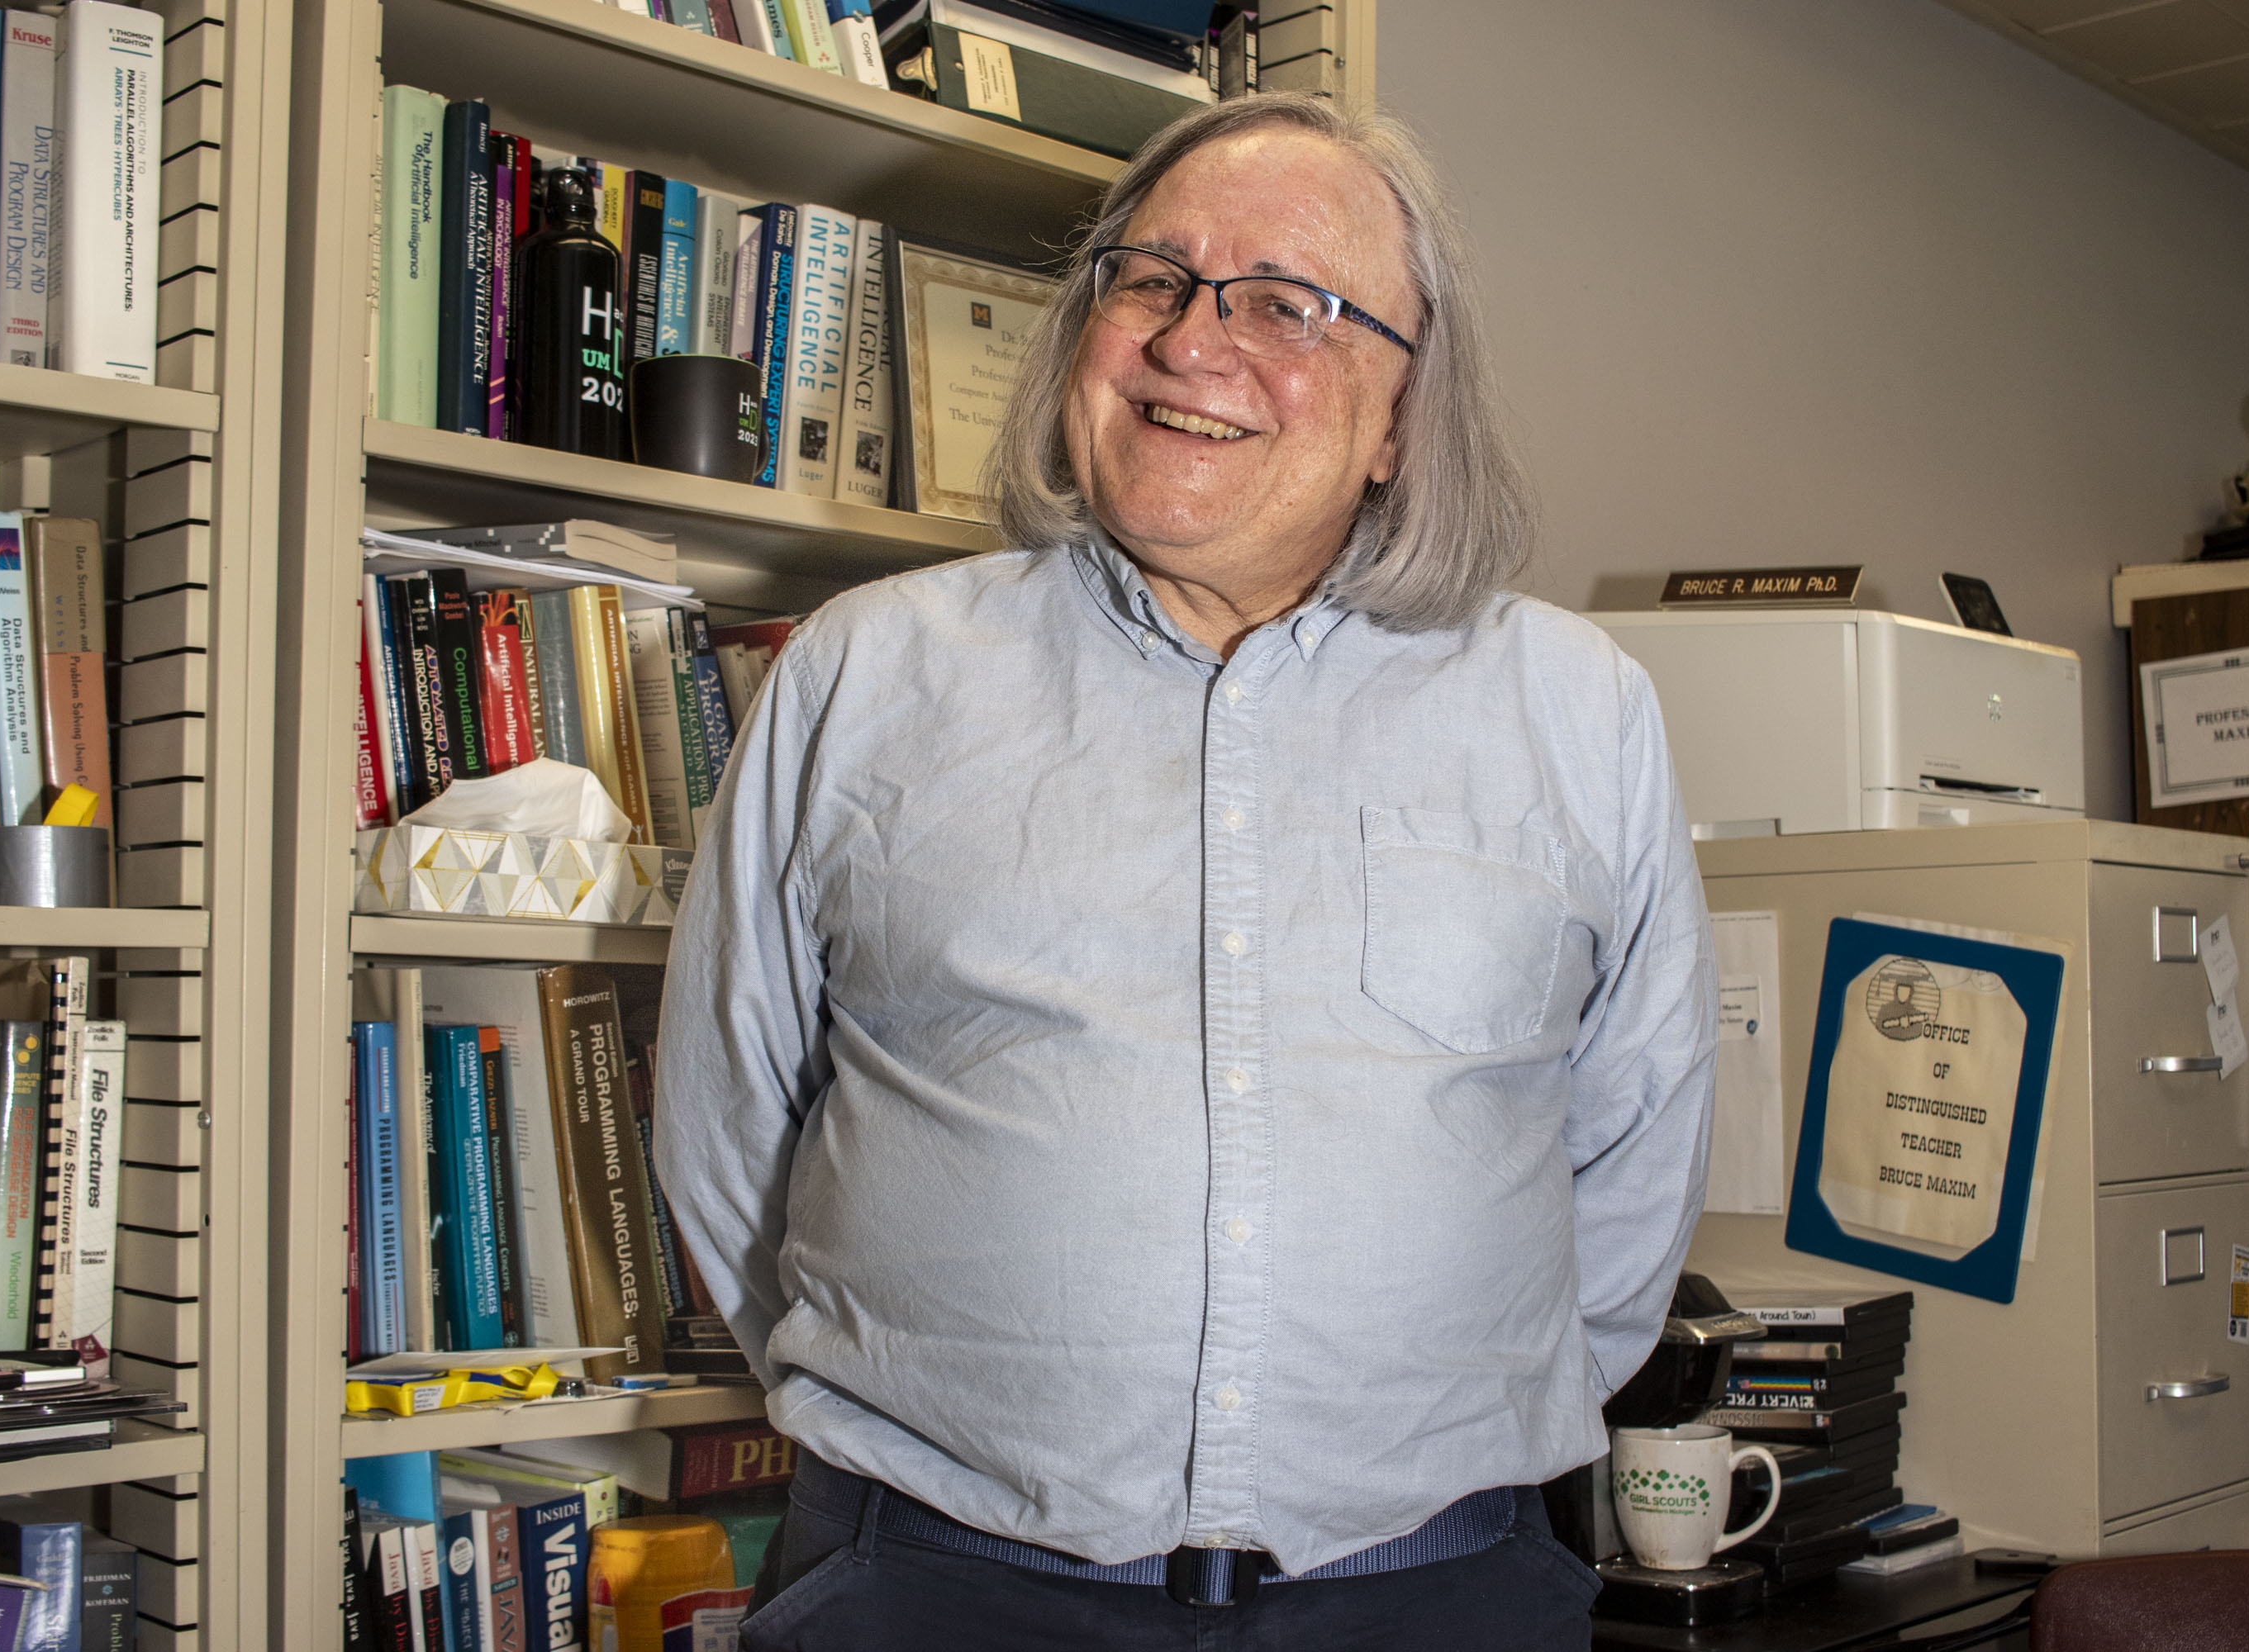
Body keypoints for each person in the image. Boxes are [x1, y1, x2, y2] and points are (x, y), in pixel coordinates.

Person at [656, 91, 1717, 1650]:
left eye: (1286, 304)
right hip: (933, 1590)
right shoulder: (865, 672)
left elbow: (1637, 1153)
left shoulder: (1578, 707)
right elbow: (726, 1119)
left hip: (1434, 1598)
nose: (1193, 341)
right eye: (1151, 281)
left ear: (1403, 420)